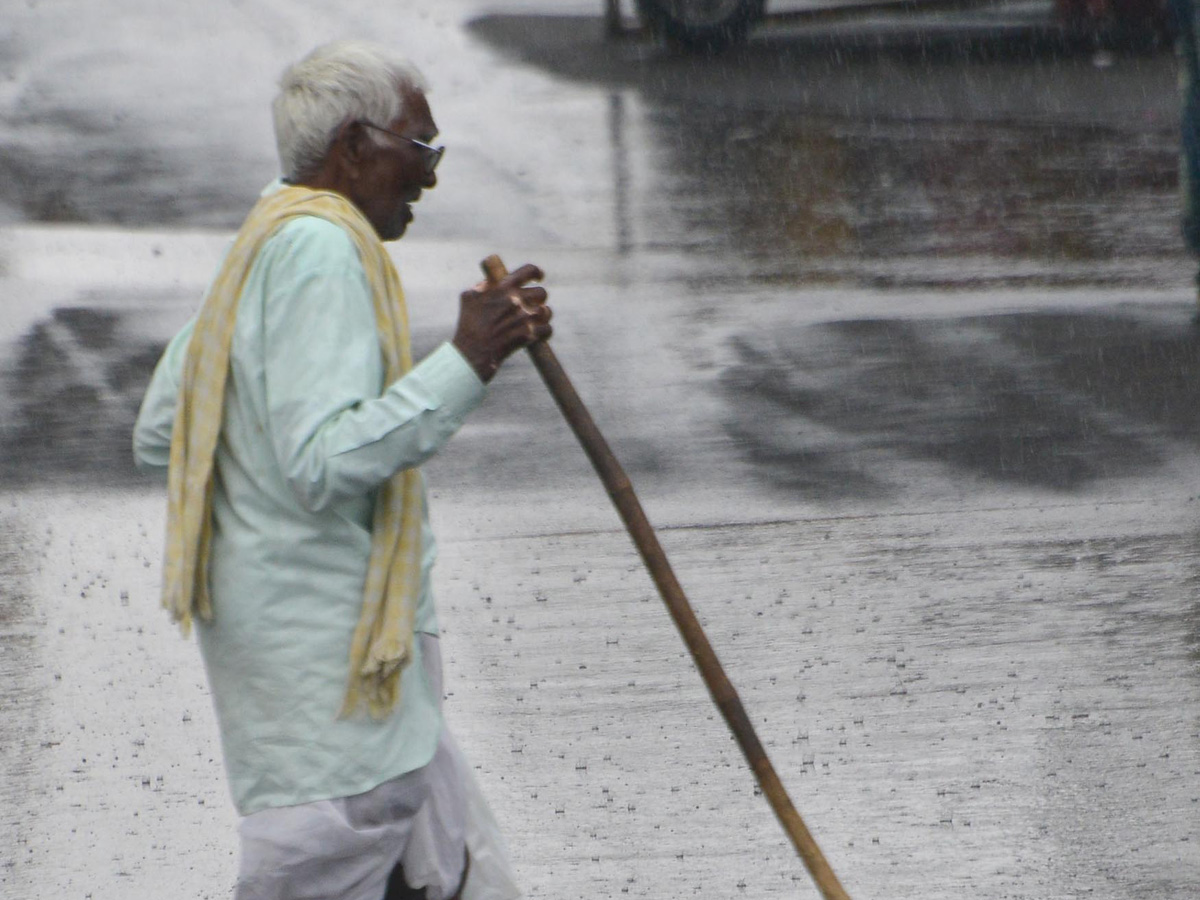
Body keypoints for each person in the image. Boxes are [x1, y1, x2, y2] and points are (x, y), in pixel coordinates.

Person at [132, 39, 551, 900]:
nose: (429, 178)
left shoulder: (267, 236)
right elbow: (322, 464)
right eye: (420, 148)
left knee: (458, 870)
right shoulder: (319, 252)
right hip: (333, 694)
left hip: (325, 691)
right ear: (354, 148)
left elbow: (165, 428)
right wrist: (466, 359)